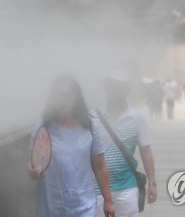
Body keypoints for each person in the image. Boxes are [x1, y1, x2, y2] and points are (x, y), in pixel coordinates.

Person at [26, 75, 115, 217]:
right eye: (58, 96)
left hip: (84, 204)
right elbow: (31, 161)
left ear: (76, 97)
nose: (62, 100)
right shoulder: (43, 126)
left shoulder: (90, 126)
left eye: (66, 95)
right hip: (51, 204)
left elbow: (99, 166)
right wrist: (32, 170)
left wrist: (108, 200)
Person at [96, 70, 157, 217]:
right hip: (97, 189)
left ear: (126, 90)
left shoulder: (137, 118)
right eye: (110, 86)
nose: (114, 91)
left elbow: (146, 151)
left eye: (118, 87)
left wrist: (152, 183)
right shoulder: (94, 117)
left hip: (127, 188)